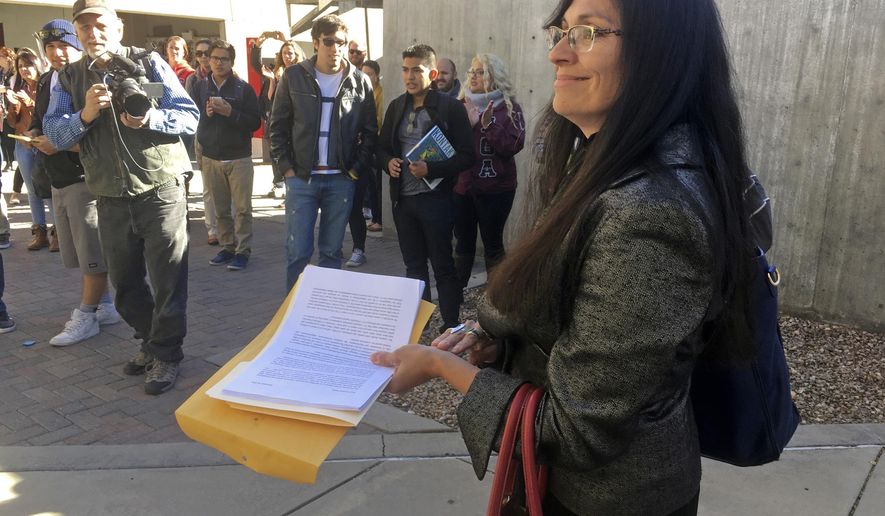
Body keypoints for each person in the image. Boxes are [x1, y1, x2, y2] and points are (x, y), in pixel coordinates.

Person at [370, 0, 759, 514]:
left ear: (663, 52)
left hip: (607, 500)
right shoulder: (607, 160)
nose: (556, 53)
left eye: (588, 33)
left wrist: (441, 366)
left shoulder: (649, 211)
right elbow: (576, 318)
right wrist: (497, 343)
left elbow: (576, 431)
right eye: (562, 32)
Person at [45, 0, 199, 395]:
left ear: (118, 27)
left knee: (167, 281)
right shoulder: (68, 77)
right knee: (125, 286)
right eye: (84, 27)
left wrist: (150, 117)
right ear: (77, 32)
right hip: (109, 195)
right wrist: (84, 115)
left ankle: (165, 353)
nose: (92, 33)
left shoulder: (148, 62)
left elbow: (188, 114)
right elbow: (54, 134)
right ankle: (151, 341)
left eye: (100, 25)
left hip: (160, 189)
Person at [27, 19, 121, 346]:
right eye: (51, 47)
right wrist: (34, 133)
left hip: (85, 177)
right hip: (58, 177)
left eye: (64, 46)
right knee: (80, 252)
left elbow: (106, 135)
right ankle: (104, 305)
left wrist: (60, 143)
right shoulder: (47, 80)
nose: (57, 53)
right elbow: (41, 119)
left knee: (92, 251)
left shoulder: (89, 77)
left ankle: (87, 314)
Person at [269, 14, 377, 291]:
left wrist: (354, 171)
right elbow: (277, 127)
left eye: (341, 42)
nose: (335, 48)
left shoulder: (359, 81)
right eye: (329, 42)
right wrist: (286, 169)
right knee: (298, 253)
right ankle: (294, 312)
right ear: (316, 43)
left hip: (340, 180)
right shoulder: (294, 76)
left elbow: (370, 133)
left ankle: (324, 309)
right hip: (301, 178)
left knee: (331, 253)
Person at [375, 44, 475, 332]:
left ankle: (451, 326)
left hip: (436, 201)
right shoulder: (396, 106)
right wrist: (388, 163)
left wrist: (431, 169)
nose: (409, 76)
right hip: (403, 201)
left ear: (431, 74)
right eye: (405, 70)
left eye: (416, 70)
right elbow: (380, 149)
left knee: (443, 266)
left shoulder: (450, 108)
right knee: (414, 267)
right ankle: (420, 326)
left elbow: (468, 156)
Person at [453, 53, 525, 287]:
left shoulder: (510, 108)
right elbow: (448, 145)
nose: (473, 76)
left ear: (494, 76)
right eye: (471, 71)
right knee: (463, 244)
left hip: (497, 190)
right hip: (463, 188)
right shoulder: (460, 104)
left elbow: (513, 146)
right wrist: (466, 126)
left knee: (493, 245)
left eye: (480, 72)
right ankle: (455, 297)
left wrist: (488, 125)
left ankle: (495, 296)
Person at [196, 40, 261, 271]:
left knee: (242, 209)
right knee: (220, 209)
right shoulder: (201, 86)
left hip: (238, 157)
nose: (218, 63)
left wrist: (231, 113)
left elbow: (255, 123)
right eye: (215, 58)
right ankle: (227, 247)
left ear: (232, 62)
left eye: (224, 59)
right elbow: (193, 118)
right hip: (211, 157)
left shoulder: (243, 88)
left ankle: (243, 250)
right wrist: (207, 114)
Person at [5, 48, 57, 251]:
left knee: (49, 189)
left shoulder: (47, 85)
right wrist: (13, 107)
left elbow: (47, 114)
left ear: (37, 65)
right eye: (20, 66)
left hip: (44, 143)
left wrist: (29, 103)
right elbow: (12, 122)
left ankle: (58, 234)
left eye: (28, 65)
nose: (24, 70)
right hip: (23, 145)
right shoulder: (18, 88)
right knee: (33, 190)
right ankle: (39, 233)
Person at [250, 32, 305, 199]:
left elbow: (305, 58)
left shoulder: (302, 72)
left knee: (294, 152)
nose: (287, 56)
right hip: (276, 117)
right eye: (284, 53)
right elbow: (270, 96)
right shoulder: (276, 72)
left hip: (296, 120)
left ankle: (292, 187)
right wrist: (258, 46)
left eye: (290, 53)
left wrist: (287, 41)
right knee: (276, 151)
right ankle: (279, 183)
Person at [185, 38, 218, 245]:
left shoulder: (228, 76)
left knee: (228, 186)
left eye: (207, 53)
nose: (204, 57)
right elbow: (190, 109)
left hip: (226, 137)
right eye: (199, 54)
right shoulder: (193, 79)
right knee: (208, 186)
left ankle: (227, 226)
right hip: (204, 137)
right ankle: (212, 229)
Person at [360, 59, 383, 233]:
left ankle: (378, 219)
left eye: (370, 74)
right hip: (365, 143)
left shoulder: (379, 93)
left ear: (377, 76)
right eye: (364, 74)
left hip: (376, 143)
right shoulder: (362, 92)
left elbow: (378, 120)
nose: (366, 77)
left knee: (376, 184)